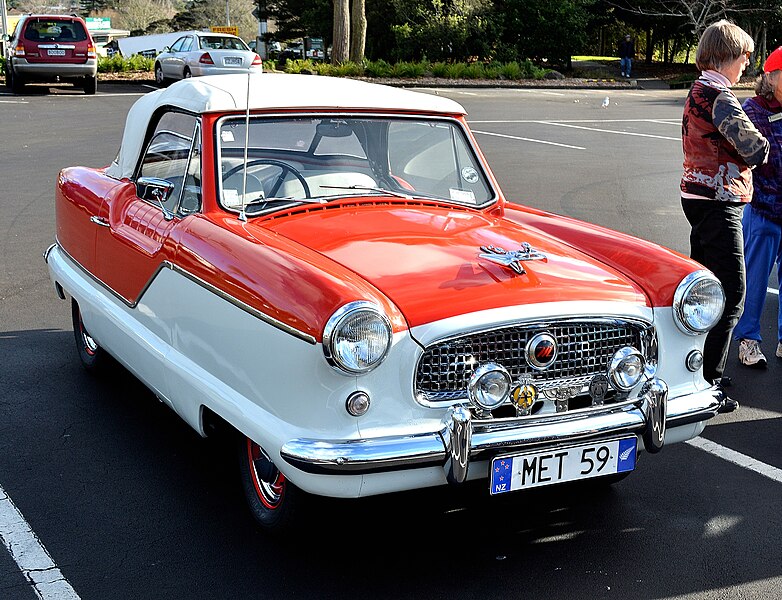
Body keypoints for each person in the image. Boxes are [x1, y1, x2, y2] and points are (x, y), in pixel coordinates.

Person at [680, 20, 770, 410]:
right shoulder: (720, 95)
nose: (747, 65)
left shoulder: (698, 88)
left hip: (695, 194)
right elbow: (756, 149)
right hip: (718, 199)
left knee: (701, 291)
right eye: (744, 56)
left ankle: (696, 371)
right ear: (727, 55)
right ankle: (709, 385)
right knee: (730, 295)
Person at [734, 46, 782, 368]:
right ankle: (748, 341)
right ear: (774, 76)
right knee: (755, 281)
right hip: (764, 209)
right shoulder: (753, 110)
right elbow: (760, 160)